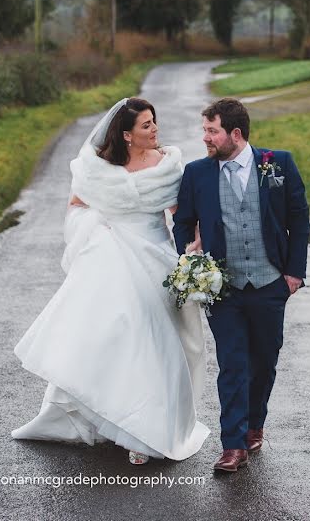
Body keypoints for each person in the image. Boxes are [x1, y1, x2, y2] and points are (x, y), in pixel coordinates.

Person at [12, 98, 209, 465]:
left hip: (154, 258)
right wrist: (96, 227)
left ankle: (146, 431)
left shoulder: (168, 164)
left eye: (154, 122)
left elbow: (179, 216)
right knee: (110, 339)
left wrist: (194, 253)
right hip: (110, 257)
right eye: (146, 125)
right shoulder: (98, 167)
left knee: (156, 344)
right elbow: (76, 205)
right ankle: (104, 417)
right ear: (126, 135)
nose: (155, 130)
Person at [173, 97, 309, 473]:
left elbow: (299, 218)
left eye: (211, 131)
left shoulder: (277, 163)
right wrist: (191, 253)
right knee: (232, 363)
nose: (205, 138)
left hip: (269, 282)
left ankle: (254, 424)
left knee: (264, 361)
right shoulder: (198, 173)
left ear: (235, 133)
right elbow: (183, 222)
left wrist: (293, 273)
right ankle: (232, 444)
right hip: (224, 288)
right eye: (204, 131)